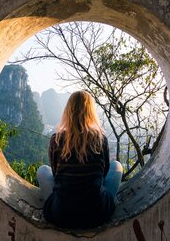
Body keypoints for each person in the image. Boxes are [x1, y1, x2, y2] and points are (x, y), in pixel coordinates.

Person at [37, 90, 123, 229]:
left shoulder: (56, 139)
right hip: (98, 213)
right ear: (91, 112)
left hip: (61, 214)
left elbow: (55, 173)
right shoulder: (100, 139)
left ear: (68, 111)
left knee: (42, 171)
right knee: (117, 166)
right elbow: (105, 172)